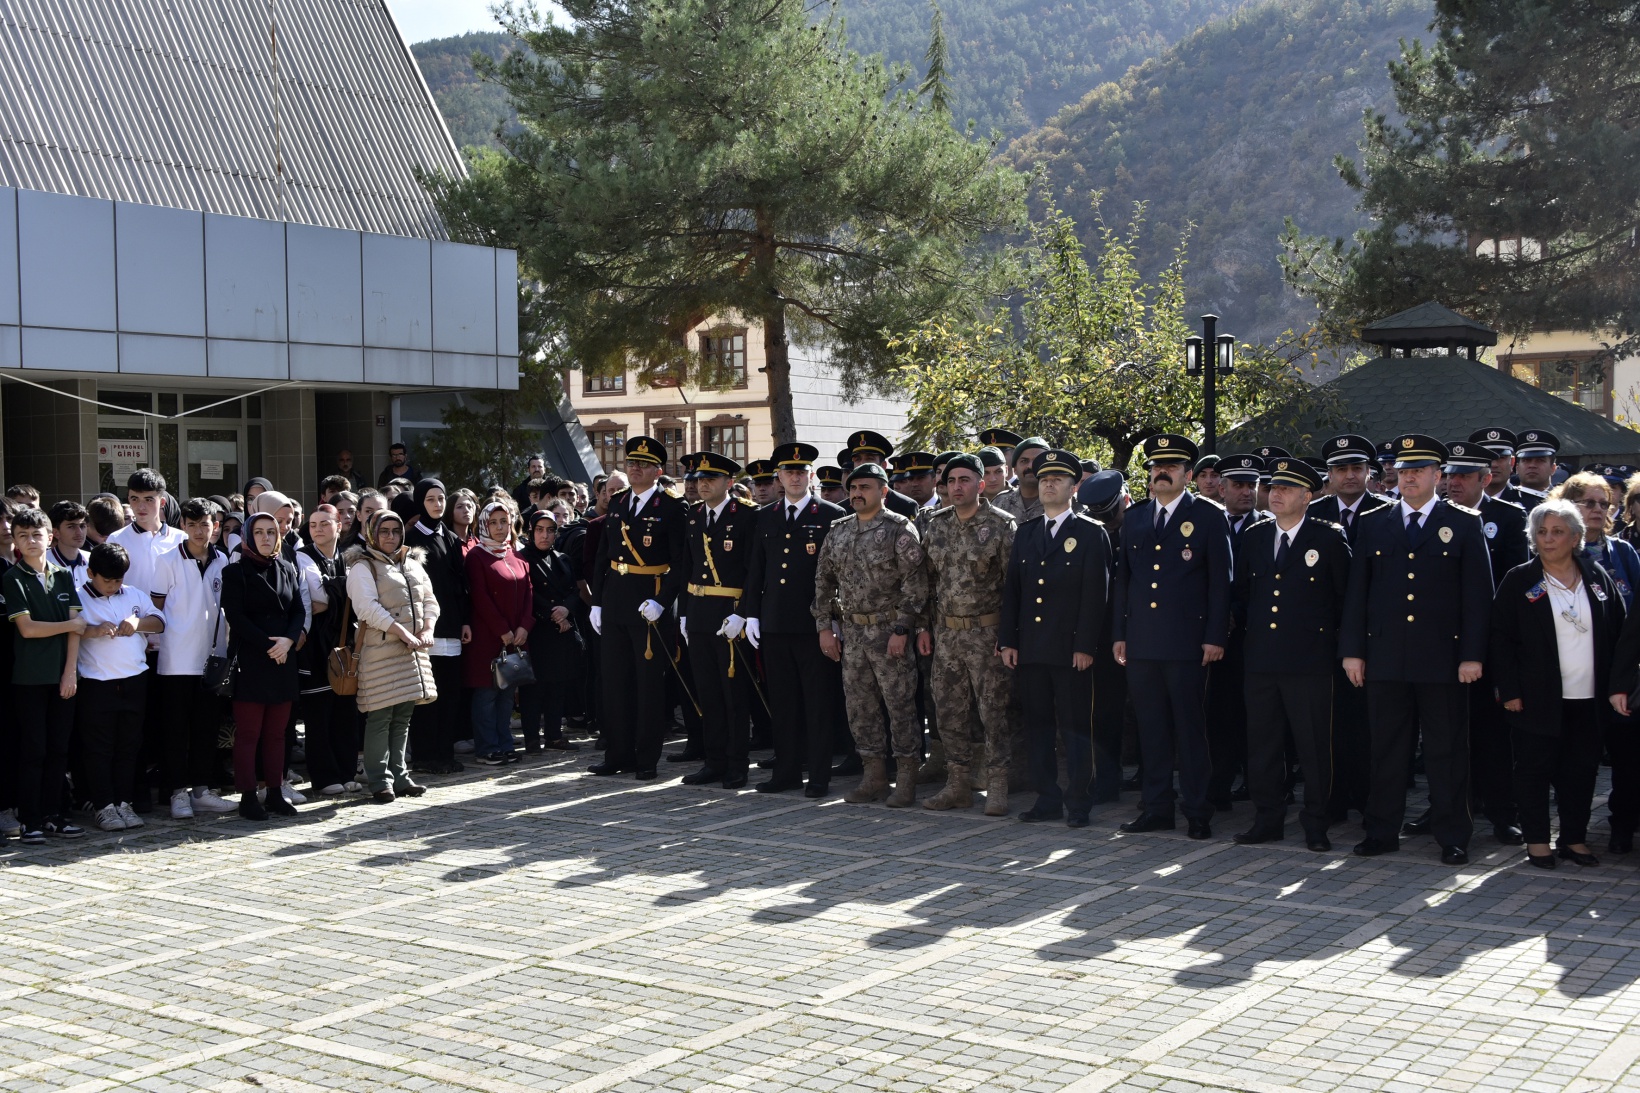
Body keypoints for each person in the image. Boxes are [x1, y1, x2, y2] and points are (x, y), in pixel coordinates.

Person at [1341, 434, 1493, 865]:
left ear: (1437, 476)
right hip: (1386, 657)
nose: (1408, 477)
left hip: (1443, 659)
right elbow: (1358, 593)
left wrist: (1472, 655)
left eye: (1418, 470)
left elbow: (1477, 597)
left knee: (1446, 751)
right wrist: (1353, 651)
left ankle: (1453, 834)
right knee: (1386, 749)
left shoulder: (1463, 523)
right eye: (1404, 470)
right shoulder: (1374, 522)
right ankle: (1382, 830)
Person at [1490, 499, 1625, 870]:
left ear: (1576, 537)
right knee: (1534, 771)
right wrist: (1510, 691)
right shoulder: (1520, 579)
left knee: (1580, 772)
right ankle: (1537, 840)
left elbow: (1617, 632)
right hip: (1536, 698)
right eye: (1541, 532)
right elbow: (1500, 640)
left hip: (1588, 698)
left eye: (1557, 532)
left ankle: (1573, 839)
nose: (1548, 539)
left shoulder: (1596, 576)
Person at [1112, 434, 1233, 840]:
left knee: (1190, 729)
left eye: (1171, 467)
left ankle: (1198, 810)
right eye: (1155, 467)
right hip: (1143, 643)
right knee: (1152, 729)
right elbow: (1123, 581)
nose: (1161, 472)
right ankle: (1157, 807)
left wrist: (1215, 635)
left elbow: (1221, 584)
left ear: (1187, 474)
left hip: (1188, 644)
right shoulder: (1137, 517)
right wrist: (1120, 634)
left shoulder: (1210, 516)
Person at [1230, 459, 1350, 850]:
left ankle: (1316, 822)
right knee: (1262, 744)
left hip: (1310, 662)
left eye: (1286, 489)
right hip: (1262, 659)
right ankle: (1268, 818)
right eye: (1273, 488)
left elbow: (1343, 601)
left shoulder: (1328, 538)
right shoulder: (1255, 536)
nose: (1275, 494)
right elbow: (1244, 597)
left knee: (1313, 746)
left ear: (1307, 496)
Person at [999, 450, 1109, 826]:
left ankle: (1079, 801)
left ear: (1074, 486)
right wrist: (1008, 640)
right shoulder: (1028, 533)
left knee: (1076, 729)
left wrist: (1085, 645)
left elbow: (1096, 596)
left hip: (1070, 650)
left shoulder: (1091, 533)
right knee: (1038, 728)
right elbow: (1013, 591)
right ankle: (1046, 798)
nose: (1048, 484)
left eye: (1058, 479)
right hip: (1032, 649)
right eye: (1044, 478)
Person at [811, 462, 929, 806]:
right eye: (854, 488)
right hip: (853, 633)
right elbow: (823, 582)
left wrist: (902, 628)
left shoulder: (898, 528)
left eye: (865, 487)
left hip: (888, 632)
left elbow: (916, 585)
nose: (857, 493)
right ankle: (873, 777)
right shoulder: (839, 530)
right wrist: (824, 626)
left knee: (900, 706)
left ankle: (906, 778)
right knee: (860, 709)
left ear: (884, 491)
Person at [743, 443, 848, 797]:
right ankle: (785, 771)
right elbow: (756, 570)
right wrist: (751, 615)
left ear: (811, 476)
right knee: (783, 703)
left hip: (813, 626)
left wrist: (833, 621)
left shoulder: (831, 514)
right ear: (779, 478)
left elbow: (837, 575)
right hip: (773, 623)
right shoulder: (765, 516)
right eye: (789, 472)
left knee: (817, 704)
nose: (795, 477)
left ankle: (818, 775)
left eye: (801, 472)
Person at [918, 453, 1017, 814]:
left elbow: (1013, 588)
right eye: (951, 481)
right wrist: (924, 628)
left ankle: (997, 784)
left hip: (987, 636)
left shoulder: (1002, 525)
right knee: (949, 713)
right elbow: (926, 584)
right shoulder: (937, 525)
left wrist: (1008, 637)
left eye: (964, 480)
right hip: (946, 636)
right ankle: (957, 784)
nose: (956, 487)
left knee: (994, 713)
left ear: (980, 484)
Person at [589, 438, 689, 779]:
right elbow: (602, 556)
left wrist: (663, 603)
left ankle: (646, 759)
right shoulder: (616, 503)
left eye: (644, 464)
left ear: (658, 471)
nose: (636, 468)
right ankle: (618, 754)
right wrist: (597, 602)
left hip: (651, 602)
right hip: (616, 600)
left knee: (648, 686)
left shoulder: (672, 507)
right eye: (632, 462)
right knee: (614, 683)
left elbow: (680, 563)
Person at [150, 498, 237, 818]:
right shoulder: (167, 560)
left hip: (212, 659)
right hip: (175, 660)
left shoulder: (223, 561)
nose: (200, 531)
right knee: (175, 731)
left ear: (215, 525)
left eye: (206, 524)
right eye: (192, 524)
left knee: (206, 728)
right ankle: (177, 793)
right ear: (182, 526)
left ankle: (201, 789)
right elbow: (156, 606)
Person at [345, 509, 438, 803]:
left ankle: (400, 776)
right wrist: (401, 632)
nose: (390, 536)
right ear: (372, 533)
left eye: (395, 531)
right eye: (383, 531)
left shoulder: (411, 563)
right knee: (381, 715)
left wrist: (427, 628)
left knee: (403, 717)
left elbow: (430, 600)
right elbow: (367, 609)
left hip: (412, 652)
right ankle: (379, 780)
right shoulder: (363, 566)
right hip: (380, 652)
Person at [74, 542, 166, 831]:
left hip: (134, 680)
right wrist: (93, 631)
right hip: (96, 684)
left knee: (129, 746)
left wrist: (136, 621)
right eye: (107, 580)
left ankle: (124, 803)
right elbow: (71, 632)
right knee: (99, 748)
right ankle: (104, 806)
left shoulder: (134, 594)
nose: (114, 586)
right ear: (90, 573)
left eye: (118, 580)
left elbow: (160, 621)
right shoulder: (79, 599)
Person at [6, 507, 85, 843]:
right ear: (16, 542)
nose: (31, 540)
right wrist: (70, 624)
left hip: (62, 678)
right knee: (34, 750)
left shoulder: (63, 576)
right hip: (29, 679)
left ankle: (55, 815)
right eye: (23, 535)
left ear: (50, 537)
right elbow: (27, 628)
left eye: (37, 534)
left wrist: (70, 673)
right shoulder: (12, 579)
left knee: (58, 750)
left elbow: (76, 633)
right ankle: (31, 820)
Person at [220, 511, 306, 821]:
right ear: (248, 536)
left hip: (283, 659)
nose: (267, 537)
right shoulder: (235, 572)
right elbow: (237, 618)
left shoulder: (286, 568)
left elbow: (298, 610)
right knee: (249, 734)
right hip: (252, 660)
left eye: (271, 531)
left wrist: (288, 641)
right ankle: (247, 796)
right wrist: (271, 645)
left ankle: (274, 792)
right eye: (259, 532)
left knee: (277, 734)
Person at [294, 504, 361, 796]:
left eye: (324, 523)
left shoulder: (347, 558)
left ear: (339, 526)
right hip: (315, 647)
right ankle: (323, 778)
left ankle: (346, 772)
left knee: (345, 711)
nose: (318, 528)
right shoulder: (301, 556)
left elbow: (353, 594)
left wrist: (336, 589)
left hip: (344, 643)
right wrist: (342, 590)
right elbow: (315, 597)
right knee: (319, 716)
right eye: (313, 524)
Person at [406, 480, 471, 774]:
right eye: (430, 499)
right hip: (424, 629)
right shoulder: (410, 540)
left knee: (449, 694)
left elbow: (461, 586)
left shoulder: (451, 538)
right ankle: (424, 755)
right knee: (427, 695)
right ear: (421, 502)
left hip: (452, 626)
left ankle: (444, 752)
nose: (437, 504)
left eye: (441, 498)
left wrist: (465, 621)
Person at [466, 501, 533, 765]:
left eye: (503, 521)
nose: (498, 527)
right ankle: (487, 748)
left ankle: (505, 744)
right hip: (487, 639)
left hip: (516, 639)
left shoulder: (517, 555)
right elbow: (480, 598)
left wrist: (524, 627)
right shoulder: (476, 556)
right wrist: (502, 630)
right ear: (483, 525)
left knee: (506, 695)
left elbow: (529, 593)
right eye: (492, 522)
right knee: (486, 695)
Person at [518, 510, 582, 753]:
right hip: (536, 630)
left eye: (550, 530)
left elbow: (574, 591)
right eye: (540, 529)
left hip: (561, 630)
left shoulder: (563, 558)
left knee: (558, 685)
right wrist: (552, 613)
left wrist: (566, 610)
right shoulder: (521, 558)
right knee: (534, 687)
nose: (545, 535)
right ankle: (532, 738)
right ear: (531, 532)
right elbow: (528, 592)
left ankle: (555, 735)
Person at [845, 431, 920, 519]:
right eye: (857, 459)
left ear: (883, 466)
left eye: (869, 458)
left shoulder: (905, 506)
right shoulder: (844, 508)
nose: (862, 463)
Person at [991, 437, 1050, 524]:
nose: (1030, 466)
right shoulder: (1000, 502)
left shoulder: (1060, 501)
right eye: (1024, 461)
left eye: (1037, 460)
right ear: (1015, 469)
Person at [48, 500, 90, 586]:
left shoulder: (93, 560)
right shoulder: (43, 563)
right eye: (71, 527)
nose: (79, 532)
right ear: (56, 532)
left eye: (82, 526)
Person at [1513, 430, 1559, 503]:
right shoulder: (1502, 502)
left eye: (1540, 460)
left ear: (1553, 468)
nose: (1532, 465)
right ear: (1517, 468)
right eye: (1526, 460)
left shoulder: (1563, 502)